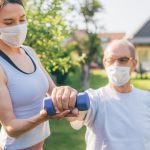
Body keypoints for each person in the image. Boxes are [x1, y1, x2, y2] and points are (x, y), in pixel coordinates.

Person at [0, 0, 77, 149]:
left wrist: (66, 94)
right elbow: (11, 128)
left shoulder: (29, 52)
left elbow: (53, 91)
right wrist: (43, 117)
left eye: (22, 20)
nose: (18, 27)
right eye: (9, 22)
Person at [54, 40, 150, 150]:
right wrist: (68, 97)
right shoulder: (95, 98)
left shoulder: (147, 99)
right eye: (111, 60)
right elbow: (78, 112)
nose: (116, 65)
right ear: (105, 63)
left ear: (133, 64)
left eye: (123, 60)